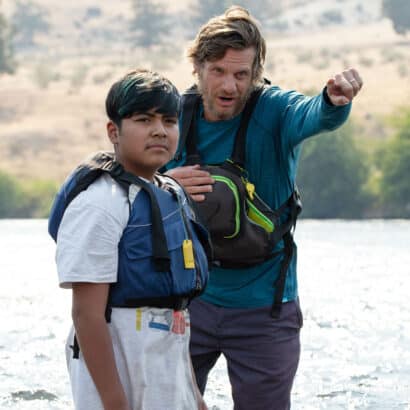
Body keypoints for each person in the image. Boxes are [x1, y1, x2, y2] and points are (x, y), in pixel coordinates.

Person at [164, 6, 363, 410]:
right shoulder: (172, 116)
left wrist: (332, 102)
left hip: (264, 308)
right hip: (187, 303)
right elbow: (131, 181)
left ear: (255, 75)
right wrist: (165, 184)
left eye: (241, 74)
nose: (230, 85)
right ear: (197, 67)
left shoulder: (274, 110)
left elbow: (312, 114)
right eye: (218, 71)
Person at [50, 69, 209, 410]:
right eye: (143, 119)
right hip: (120, 383)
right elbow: (87, 314)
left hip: (168, 377)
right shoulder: (100, 203)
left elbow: (175, 315)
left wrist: (195, 399)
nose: (159, 130)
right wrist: (114, 403)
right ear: (114, 131)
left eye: (169, 120)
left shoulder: (170, 193)